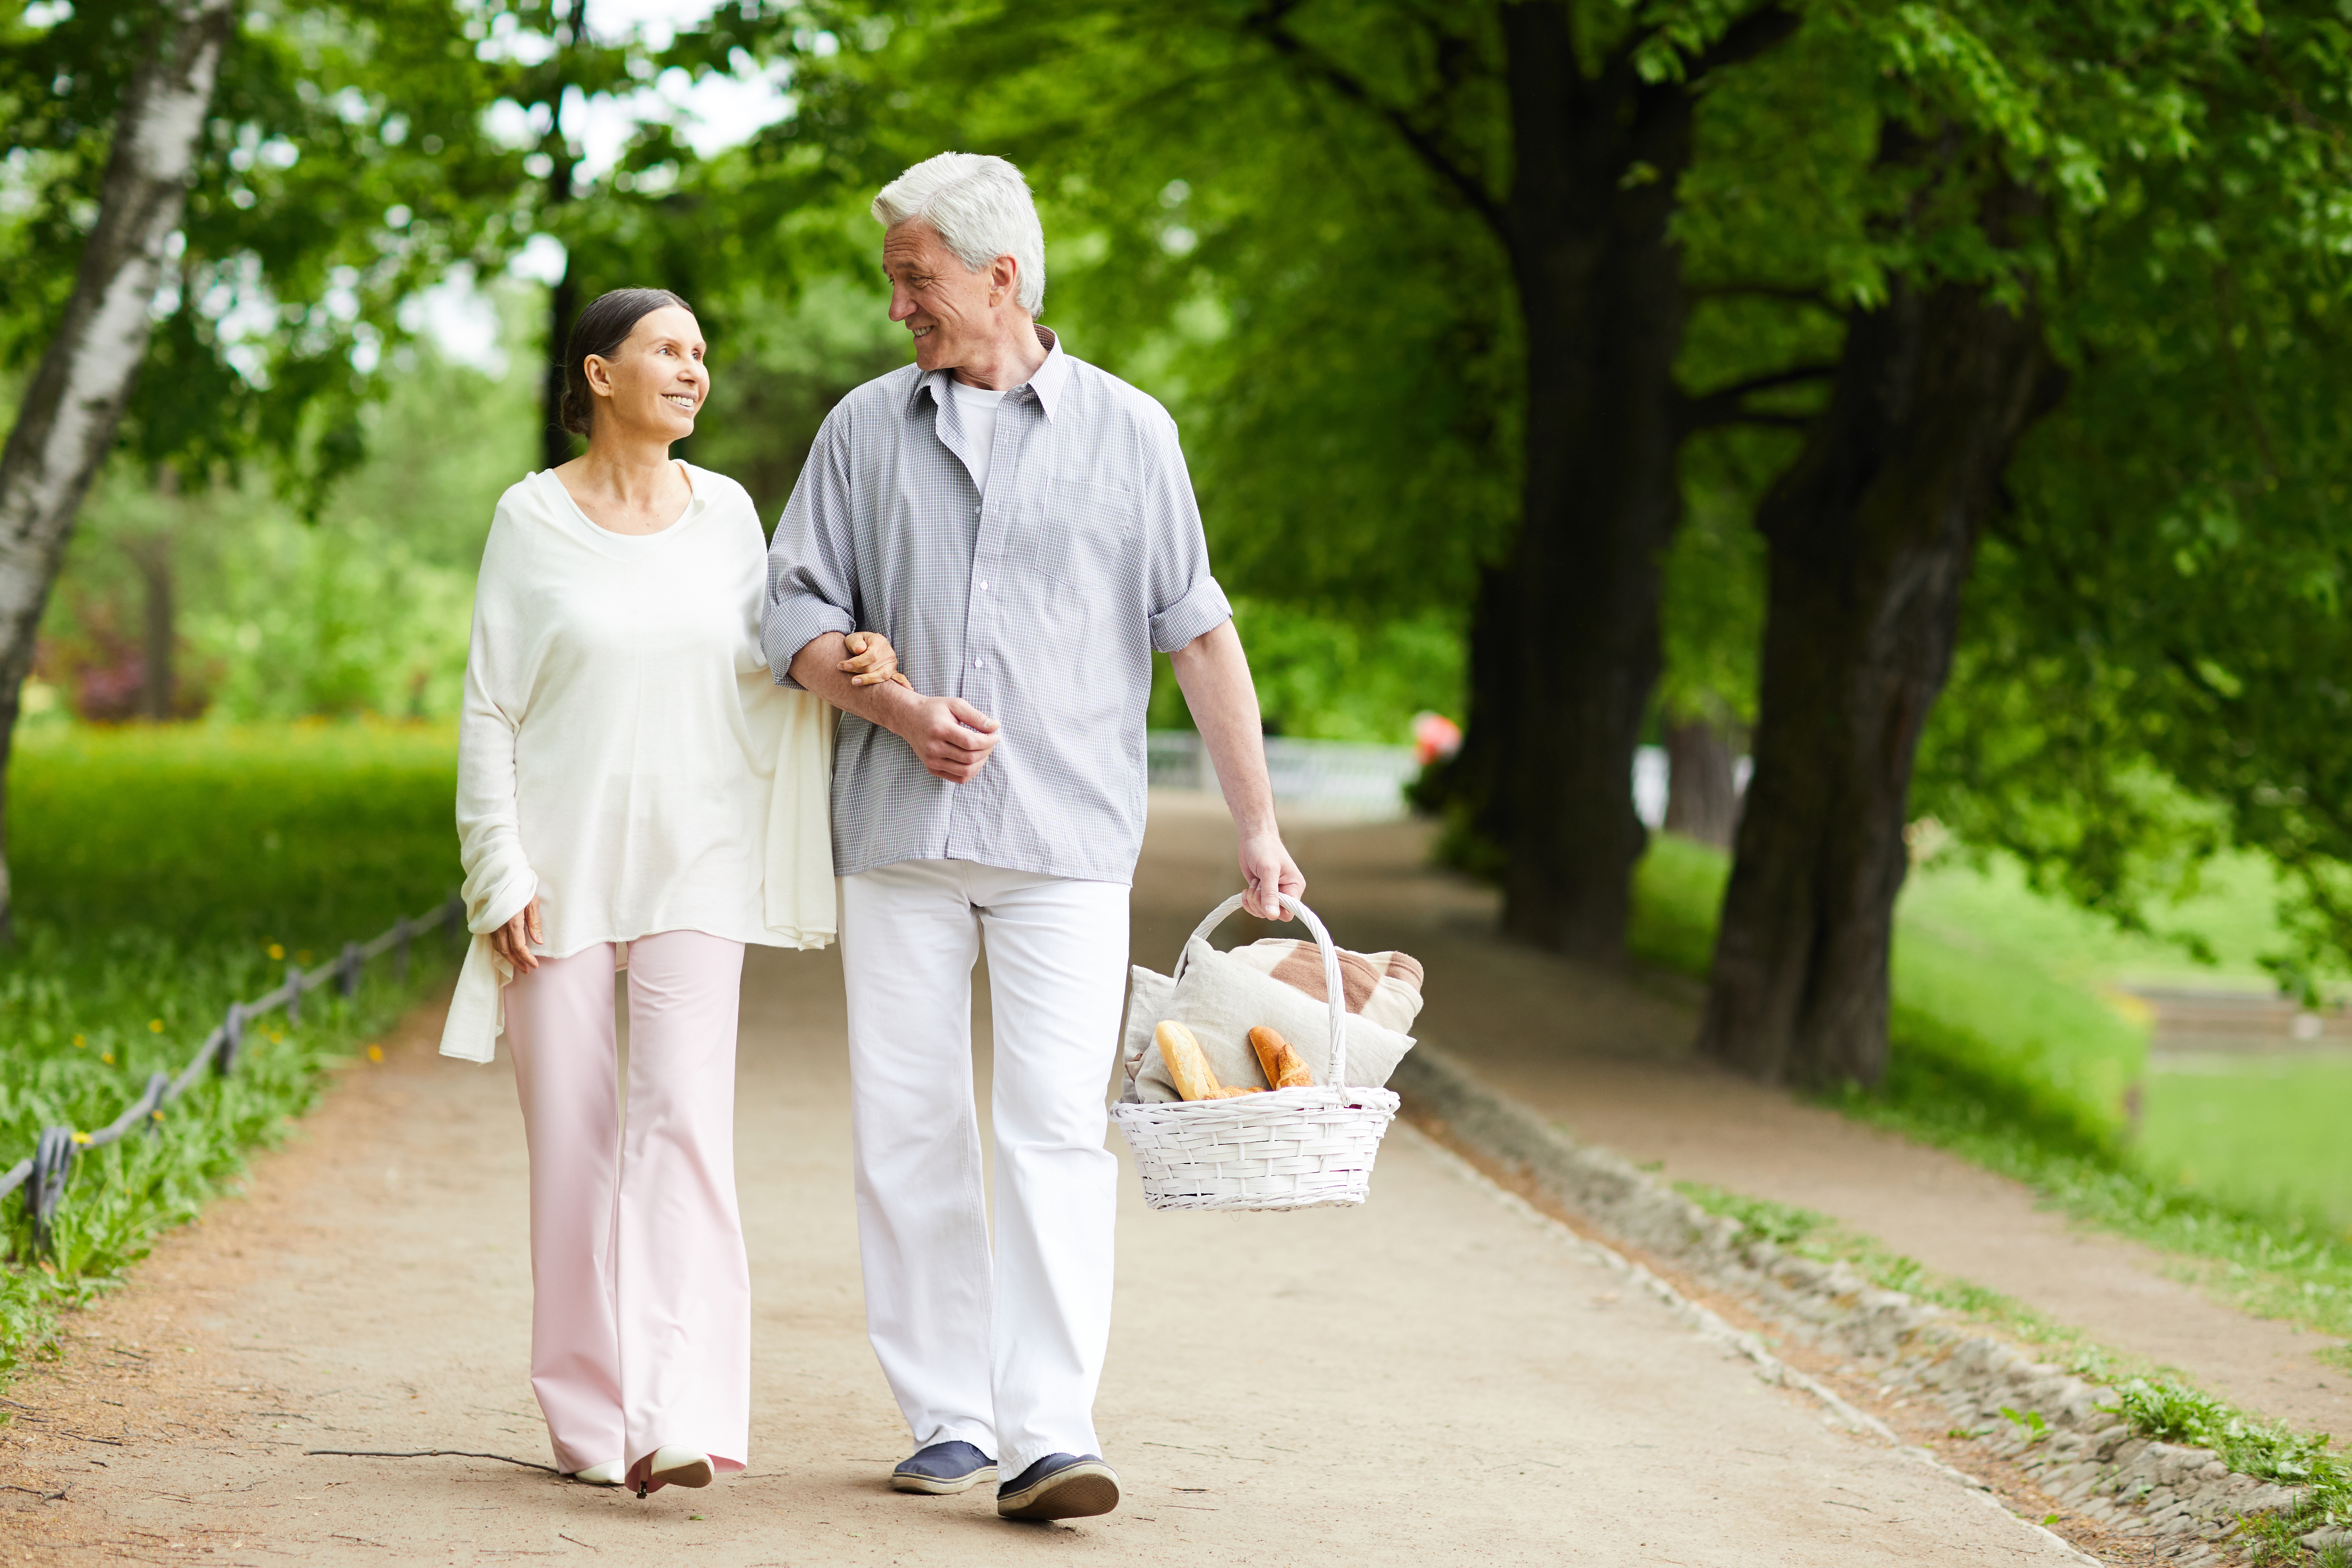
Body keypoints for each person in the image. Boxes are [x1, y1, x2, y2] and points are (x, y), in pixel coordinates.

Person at [763, 152, 1302, 1523]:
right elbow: (791, 619)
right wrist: (888, 702)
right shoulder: (863, 431)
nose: (900, 307)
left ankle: (1049, 1427)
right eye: (896, 280)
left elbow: (1198, 631)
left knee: (1055, 1129)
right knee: (911, 1122)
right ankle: (945, 1412)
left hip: (1067, 845)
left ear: (1002, 277)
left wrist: (1261, 830)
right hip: (898, 834)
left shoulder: (1134, 433)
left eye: (917, 279)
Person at [440, 288, 903, 1497]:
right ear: (600, 375)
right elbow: (491, 705)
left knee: (685, 1133)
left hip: (701, 861)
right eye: (667, 350)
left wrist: (856, 658)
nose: (694, 370)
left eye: (702, 352)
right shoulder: (529, 518)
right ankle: (593, 1424)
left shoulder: (733, 516)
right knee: (575, 1148)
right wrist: (499, 872)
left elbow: (775, 659)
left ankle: (679, 1412)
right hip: (559, 872)